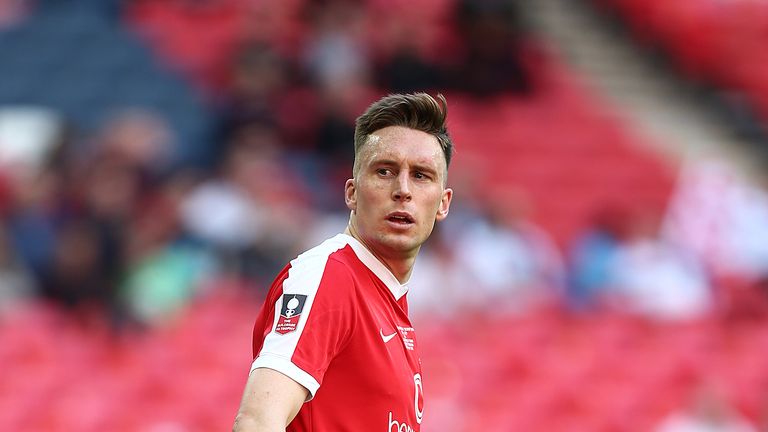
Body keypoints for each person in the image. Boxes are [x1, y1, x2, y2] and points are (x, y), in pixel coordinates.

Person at [232, 93, 454, 431]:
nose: (403, 189)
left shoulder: (387, 299)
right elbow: (258, 420)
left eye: (421, 175)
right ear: (351, 191)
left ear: (443, 203)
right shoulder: (329, 277)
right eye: (385, 171)